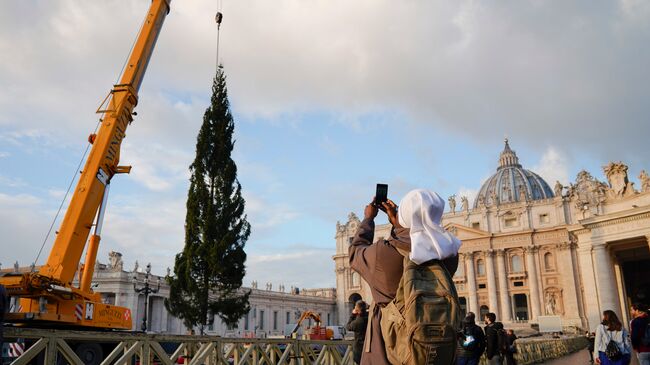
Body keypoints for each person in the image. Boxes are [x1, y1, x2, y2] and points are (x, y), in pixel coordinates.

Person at [349, 189, 460, 365]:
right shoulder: (449, 254)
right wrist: (401, 226)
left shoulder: (383, 254)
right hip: (439, 350)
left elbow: (355, 254)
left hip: (390, 352)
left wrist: (368, 219)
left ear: (405, 215)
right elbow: (417, 243)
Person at [346, 300, 369, 365]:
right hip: (369, 347)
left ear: (357, 309)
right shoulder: (369, 317)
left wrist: (353, 315)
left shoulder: (358, 321)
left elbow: (348, 327)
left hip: (359, 349)